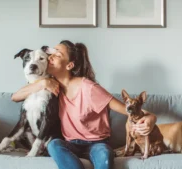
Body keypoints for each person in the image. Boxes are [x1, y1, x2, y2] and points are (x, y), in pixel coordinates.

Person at [11, 40, 157, 169]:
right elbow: (15, 97)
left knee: (105, 154)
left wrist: (151, 117)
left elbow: (130, 110)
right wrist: (42, 83)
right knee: (53, 145)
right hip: (70, 143)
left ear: (69, 65)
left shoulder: (89, 88)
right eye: (51, 53)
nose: (51, 56)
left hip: (97, 143)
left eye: (57, 54)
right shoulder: (50, 85)